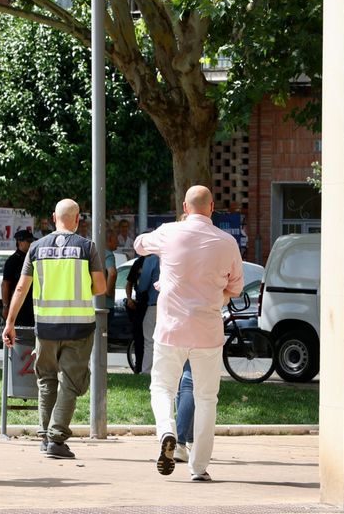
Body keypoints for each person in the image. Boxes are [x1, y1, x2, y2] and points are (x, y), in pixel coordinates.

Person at [134, 185, 243, 482]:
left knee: (161, 388)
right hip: (207, 332)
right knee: (207, 398)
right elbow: (235, 287)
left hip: (171, 329)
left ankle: (167, 432)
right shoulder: (227, 242)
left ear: (184, 206)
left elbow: (139, 245)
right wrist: (215, 295)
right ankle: (198, 467)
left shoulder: (169, 232)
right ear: (212, 207)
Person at [2, 199, 106, 460]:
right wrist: (82, 290)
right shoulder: (86, 247)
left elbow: (21, 288)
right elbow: (101, 287)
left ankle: (44, 436)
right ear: (78, 219)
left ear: (53, 218)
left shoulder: (36, 248)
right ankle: (57, 438)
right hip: (79, 329)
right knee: (71, 382)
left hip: (45, 328)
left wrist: (10, 322)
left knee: (46, 380)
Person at [1, 229, 36, 327]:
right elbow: (5, 284)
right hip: (19, 305)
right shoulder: (13, 261)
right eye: (28, 241)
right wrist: (5, 307)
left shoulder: (33, 258)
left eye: (32, 241)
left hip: (32, 304)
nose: (31, 243)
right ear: (19, 242)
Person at [135, 253, 160, 374]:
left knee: (150, 341)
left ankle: (146, 371)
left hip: (155, 306)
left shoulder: (152, 260)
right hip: (177, 308)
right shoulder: (177, 255)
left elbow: (143, 286)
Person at [123, 255, 148, 373]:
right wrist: (129, 298)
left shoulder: (158, 260)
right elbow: (129, 283)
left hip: (152, 304)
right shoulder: (139, 262)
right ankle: (139, 367)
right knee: (139, 338)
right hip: (140, 305)